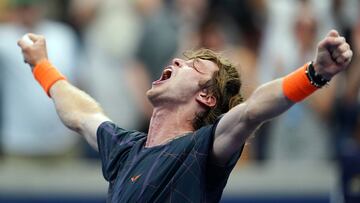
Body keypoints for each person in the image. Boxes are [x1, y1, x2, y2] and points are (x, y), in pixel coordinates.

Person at [17, 30, 352, 202]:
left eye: (192, 66)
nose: (176, 62)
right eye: (180, 60)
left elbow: (252, 110)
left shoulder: (202, 149)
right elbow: (82, 114)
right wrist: (42, 66)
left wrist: (314, 74)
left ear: (206, 96)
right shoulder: (125, 150)